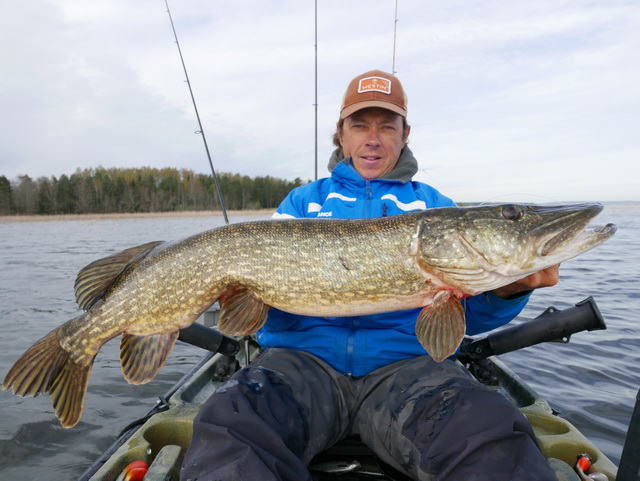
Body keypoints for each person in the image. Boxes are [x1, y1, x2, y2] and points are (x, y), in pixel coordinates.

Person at [180, 70, 560, 481]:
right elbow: (266, 312)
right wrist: (239, 297)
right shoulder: (302, 204)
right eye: (359, 125)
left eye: (386, 126)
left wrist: (509, 291)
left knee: (494, 442)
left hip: (411, 371)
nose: (372, 138)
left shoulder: (436, 208)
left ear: (405, 133)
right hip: (300, 367)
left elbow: (471, 320)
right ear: (341, 134)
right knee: (231, 427)